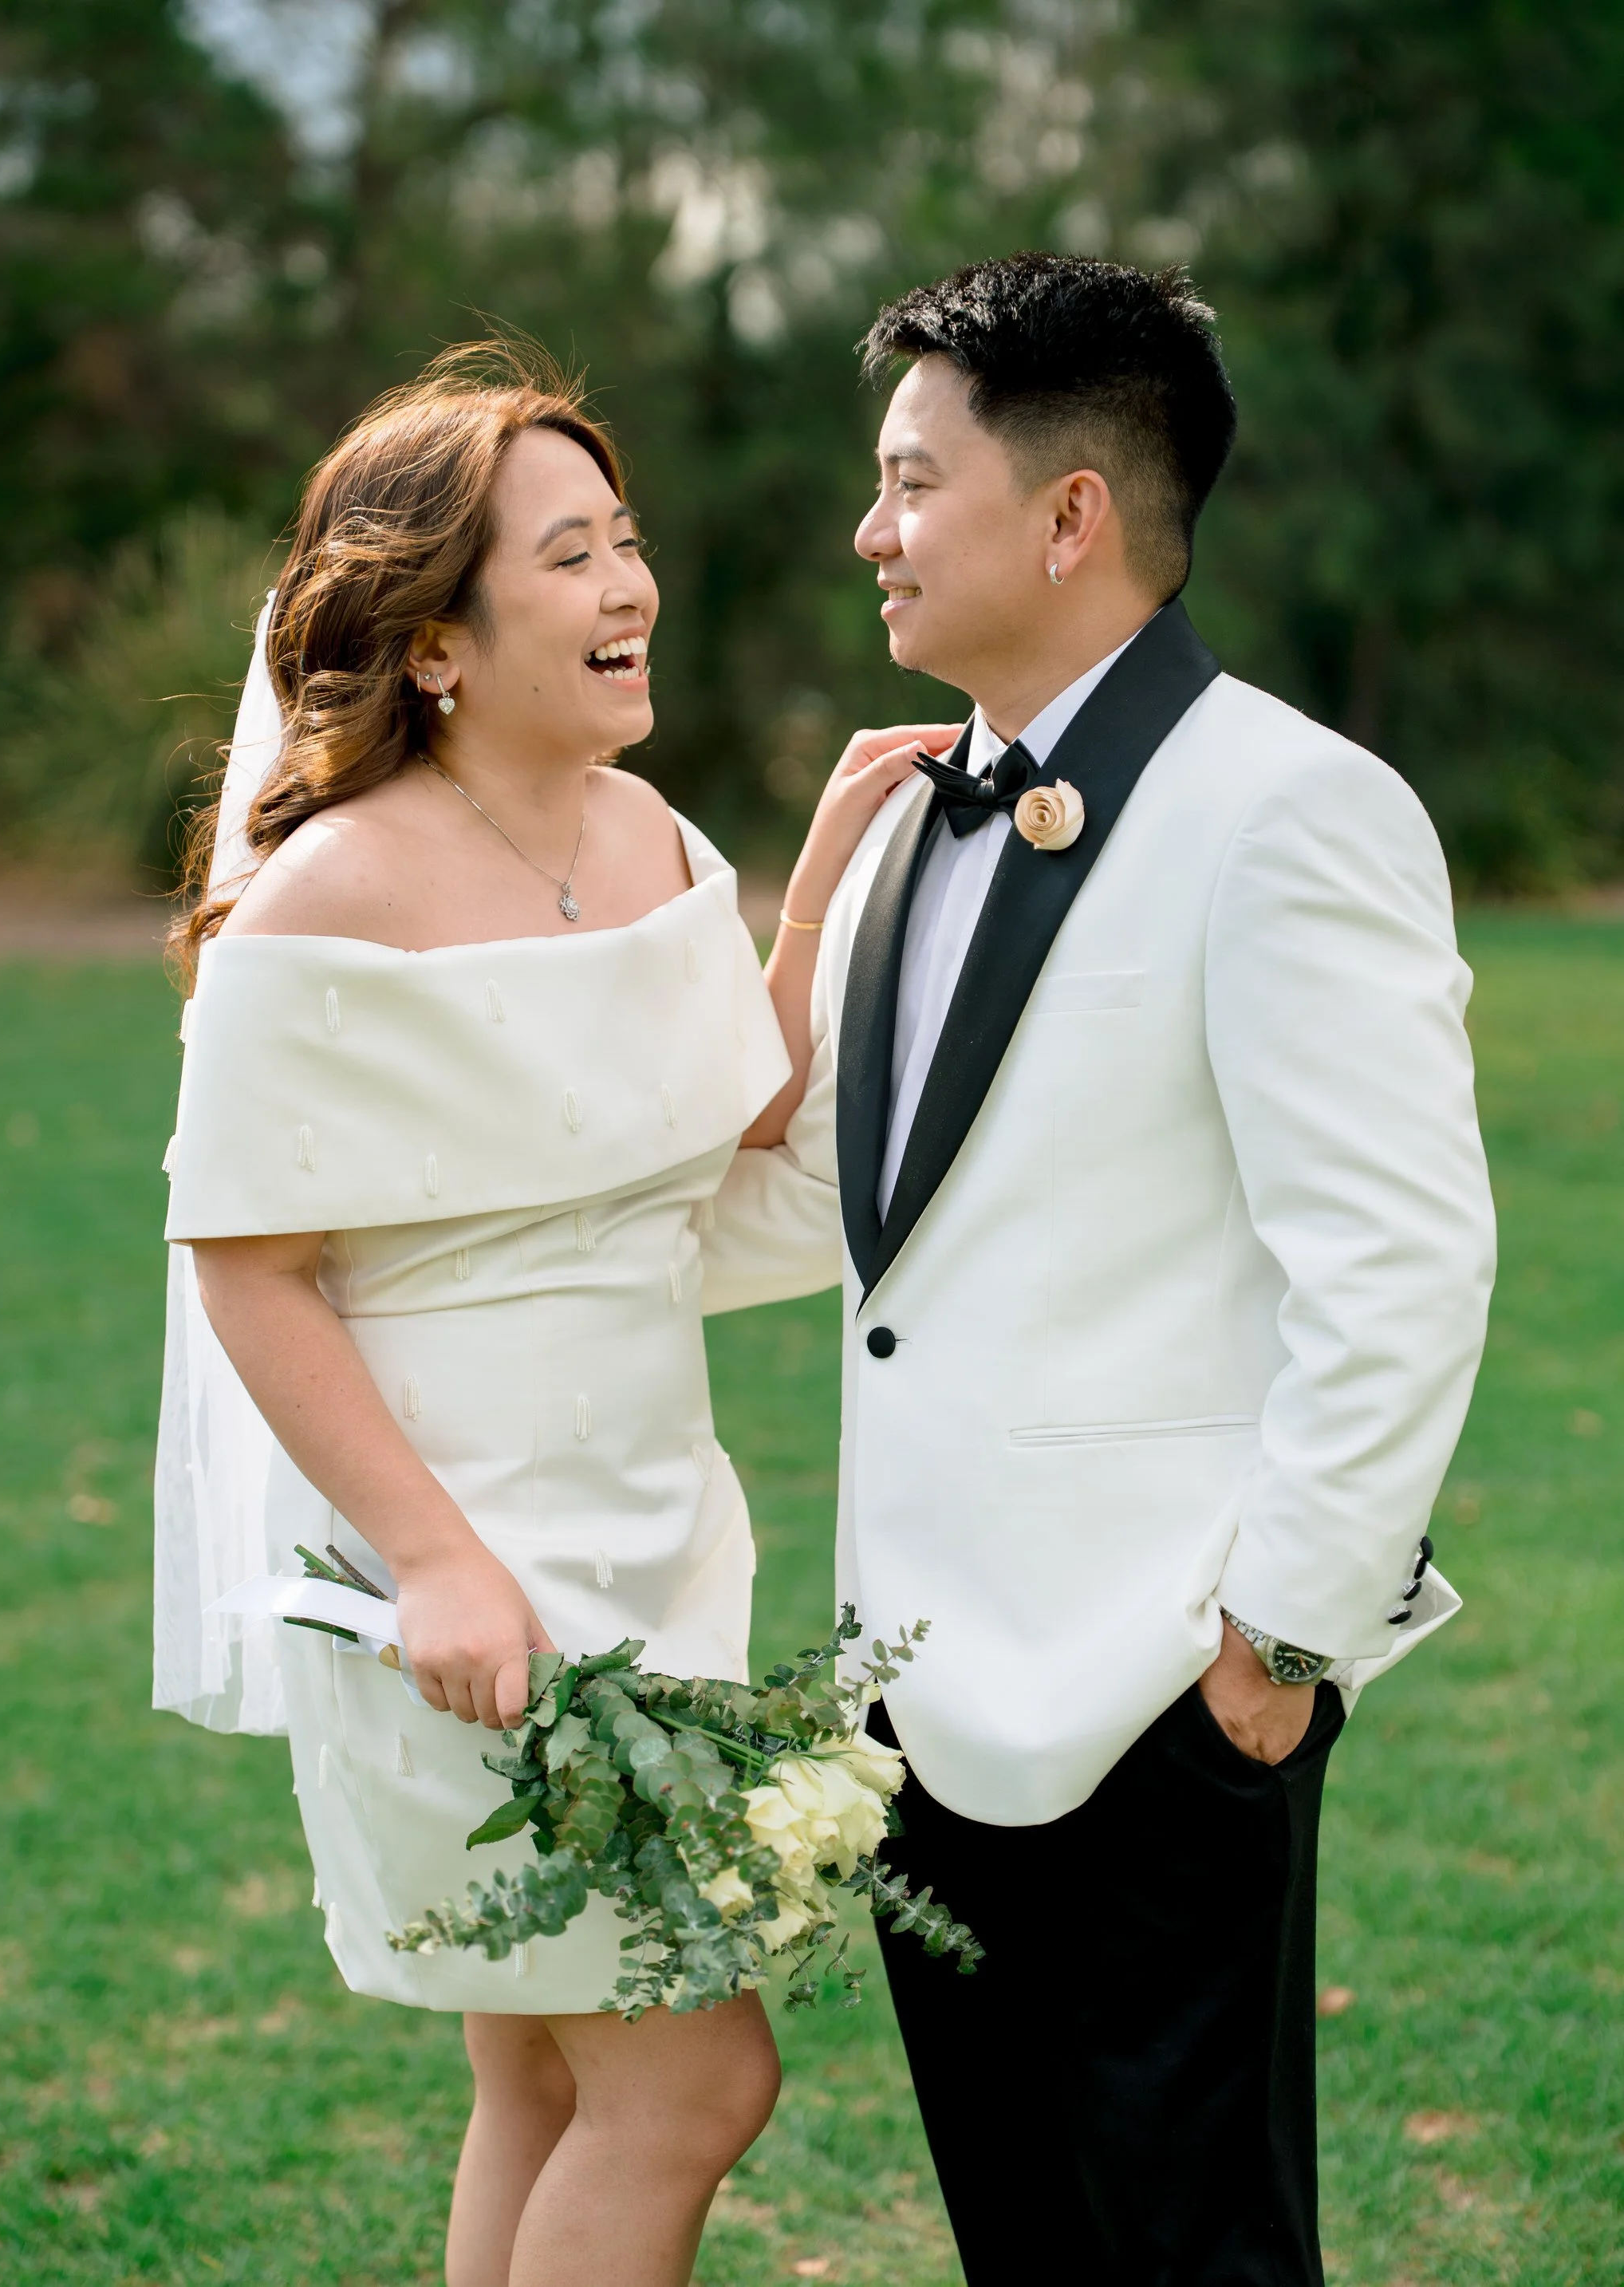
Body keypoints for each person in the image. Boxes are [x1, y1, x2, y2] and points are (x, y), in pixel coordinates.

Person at [705, 255, 1497, 2284]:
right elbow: (834, 1212)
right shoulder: (901, 824)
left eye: (910, 482)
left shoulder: (1293, 806)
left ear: (1069, 514)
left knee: (1192, 2250)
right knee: (1027, 2244)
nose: (869, 529)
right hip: (910, 1689)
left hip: (1166, 1690)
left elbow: (1397, 1263)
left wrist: (1276, 1647)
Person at [152, 341, 956, 2287]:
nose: (627, 586)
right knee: (690, 2085)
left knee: (540, 2075)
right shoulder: (327, 894)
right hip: (458, 1571)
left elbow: (724, 1114)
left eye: (625, 538)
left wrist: (811, 892)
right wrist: (438, 1561)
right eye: (569, 554)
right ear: (434, 639)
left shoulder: (646, 828)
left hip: (654, 1528)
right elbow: (247, 1262)